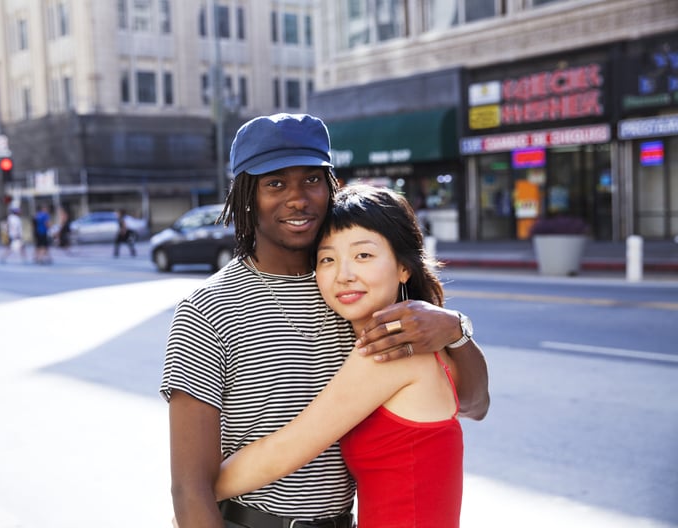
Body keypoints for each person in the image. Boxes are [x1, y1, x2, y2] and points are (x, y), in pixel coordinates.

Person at [160, 113, 489, 528]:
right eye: (275, 183)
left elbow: (471, 404)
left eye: (311, 180)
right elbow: (189, 487)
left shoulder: (347, 294)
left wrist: (456, 328)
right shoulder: (207, 309)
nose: (297, 198)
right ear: (246, 194)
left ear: (329, 187)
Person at [215, 184, 464, 527]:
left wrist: (194, 497)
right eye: (328, 259)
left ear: (404, 268)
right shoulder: (423, 339)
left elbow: (281, 452)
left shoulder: (391, 348)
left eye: (363, 255)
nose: (344, 275)